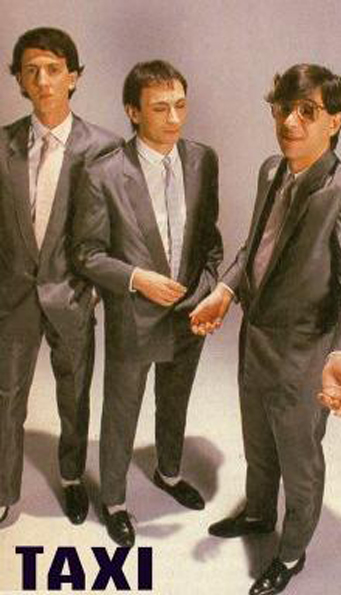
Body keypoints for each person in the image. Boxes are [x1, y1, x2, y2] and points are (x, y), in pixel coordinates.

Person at [191, 63, 341, 595]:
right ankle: (258, 513)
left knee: (299, 464)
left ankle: (291, 554)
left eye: (307, 111)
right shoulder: (271, 169)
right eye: (282, 109)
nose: (290, 122)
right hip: (255, 343)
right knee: (258, 445)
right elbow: (255, 247)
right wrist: (225, 290)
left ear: (334, 121)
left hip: (305, 358)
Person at [73, 60, 223, 547]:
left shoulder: (203, 160)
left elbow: (209, 237)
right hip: (135, 313)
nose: (174, 118)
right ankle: (114, 502)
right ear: (132, 112)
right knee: (122, 411)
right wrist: (137, 279)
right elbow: (86, 253)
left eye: (180, 105)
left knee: (175, 400)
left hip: (189, 311)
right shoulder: (103, 173)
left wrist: (206, 287)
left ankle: (169, 473)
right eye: (160, 108)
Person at [0, 27, 121, 527]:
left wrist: (96, 291)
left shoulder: (105, 148)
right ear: (19, 81)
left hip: (72, 295)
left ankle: (71, 478)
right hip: (13, 298)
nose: (43, 80)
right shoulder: (3, 145)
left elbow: (118, 229)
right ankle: (3, 489)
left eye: (53, 69)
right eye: (31, 71)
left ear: (74, 77)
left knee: (74, 393)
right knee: (6, 395)